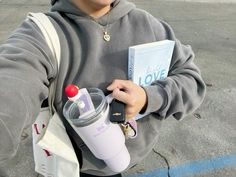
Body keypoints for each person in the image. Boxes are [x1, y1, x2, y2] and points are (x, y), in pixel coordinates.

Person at [0, 0, 206, 176]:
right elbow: (12, 84)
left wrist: (148, 97)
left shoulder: (149, 26)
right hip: (74, 167)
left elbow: (191, 80)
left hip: (129, 160)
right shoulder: (41, 34)